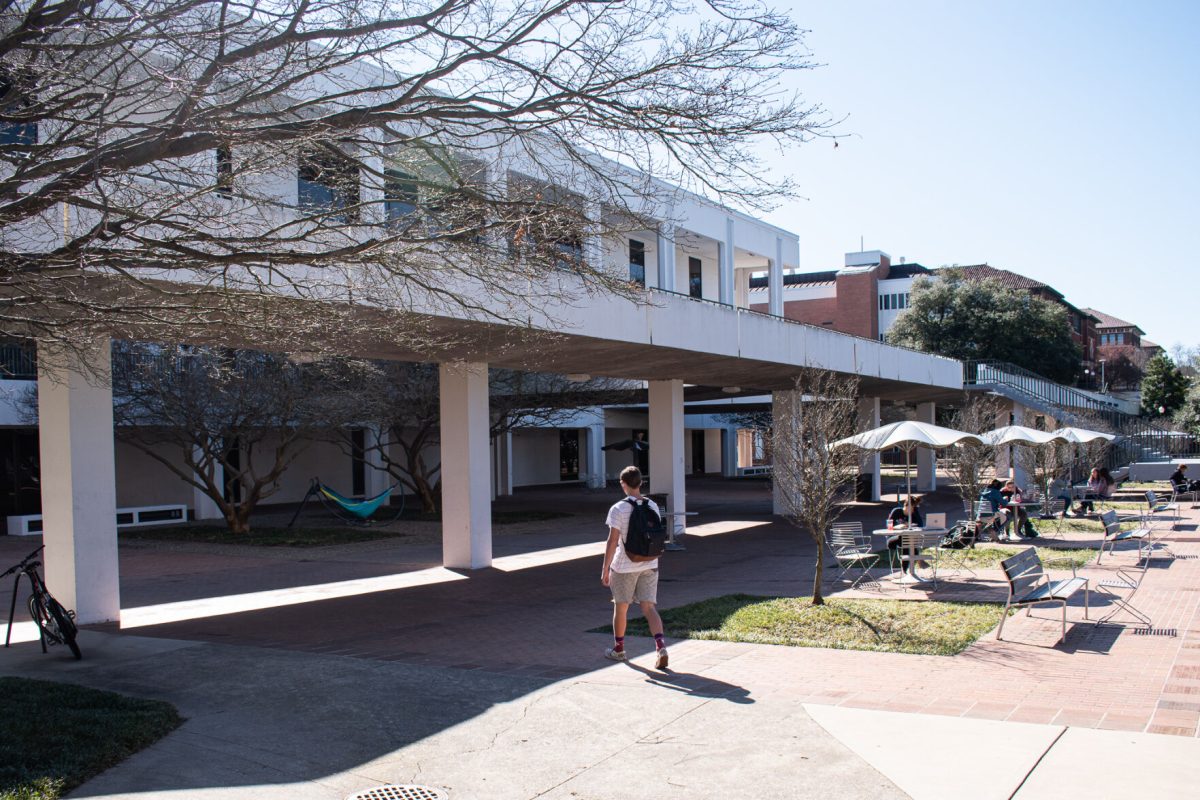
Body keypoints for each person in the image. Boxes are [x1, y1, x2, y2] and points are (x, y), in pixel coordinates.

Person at [601, 465, 668, 669]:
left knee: (621, 608)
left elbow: (612, 541)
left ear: (623, 484)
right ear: (640, 483)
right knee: (649, 607)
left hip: (624, 566)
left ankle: (619, 649)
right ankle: (661, 647)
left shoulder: (618, 508)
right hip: (650, 563)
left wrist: (605, 568)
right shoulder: (653, 506)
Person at [886, 495, 925, 572]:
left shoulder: (914, 513)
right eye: (911, 508)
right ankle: (918, 559)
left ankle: (904, 570)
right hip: (892, 539)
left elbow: (921, 525)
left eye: (914, 508)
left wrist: (915, 515)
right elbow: (889, 526)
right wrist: (899, 527)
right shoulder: (896, 511)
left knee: (907, 541)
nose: (912, 510)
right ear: (905, 506)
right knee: (907, 540)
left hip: (906, 540)